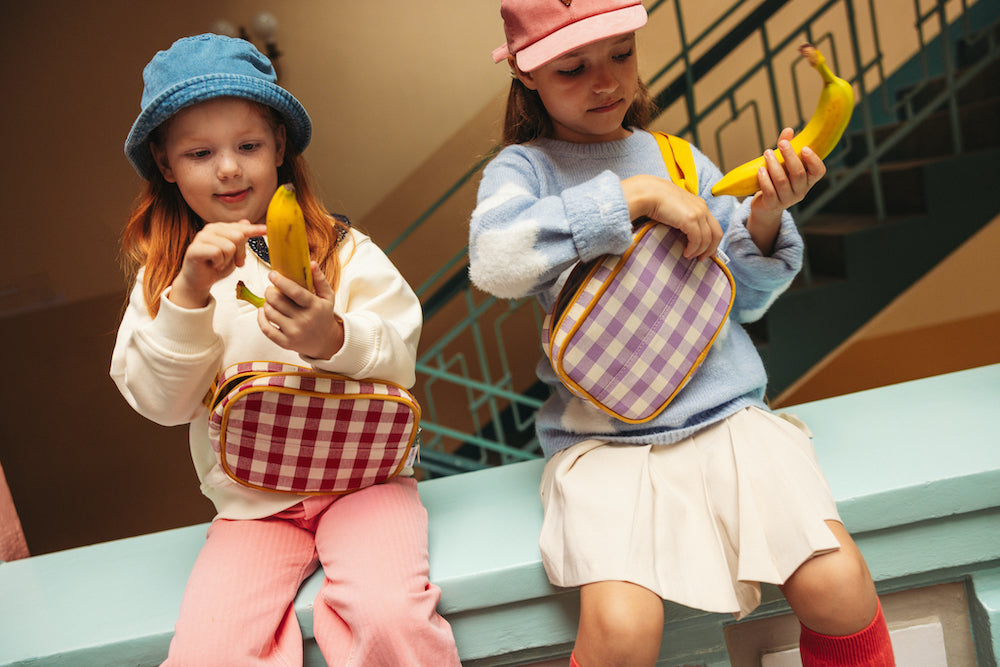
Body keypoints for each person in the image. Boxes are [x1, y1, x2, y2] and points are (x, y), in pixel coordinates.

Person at [469, 1, 895, 665]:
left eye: (621, 54)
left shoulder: (679, 157)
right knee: (621, 630)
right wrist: (632, 197)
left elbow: (743, 303)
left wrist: (765, 216)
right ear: (527, 77)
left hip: (728, 416)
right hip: (603, 443)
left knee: (840, 584)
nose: (606, 81)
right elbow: (494, 260)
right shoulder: (524, 171)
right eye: (572, 67)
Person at [111, 34, 461, 667]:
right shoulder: (166, 275)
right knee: (207, 652)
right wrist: (188, 296)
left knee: (390, 619)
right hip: (253, 507)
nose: (228, 167)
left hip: (366, 481)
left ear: (278, 147)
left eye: (248, 146)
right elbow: (162, 404)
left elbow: (400, 350)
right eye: (199, 152)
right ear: (165, 165)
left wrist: (333, 338)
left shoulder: (339, 249)